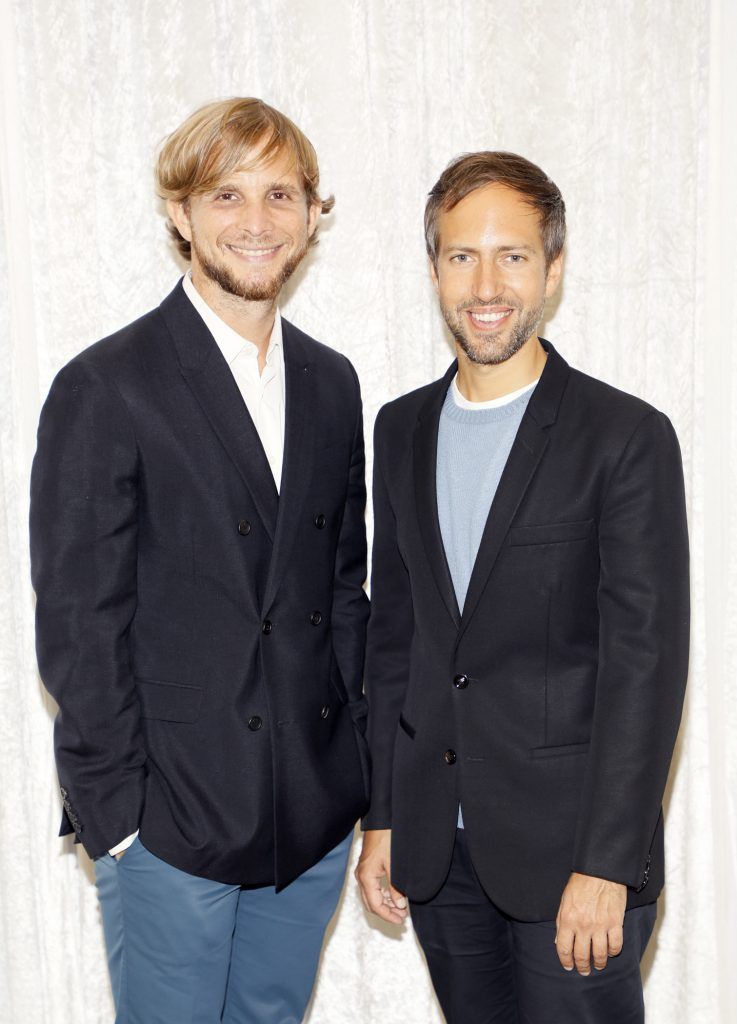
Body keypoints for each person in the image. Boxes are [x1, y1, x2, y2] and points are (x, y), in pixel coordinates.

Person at [30, 97, 370, 1024]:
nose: (256, 222)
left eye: (280, 194)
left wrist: (354, 773)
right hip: (170, 825)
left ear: (309, 215)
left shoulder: (333, 382)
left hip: (309, 817)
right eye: (226, 194)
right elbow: (76, 624)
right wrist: (123, 825)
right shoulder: (106, 385)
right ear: (180, 214)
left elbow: (343, 590)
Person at [356, 151, 689, 1023]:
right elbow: (397, 640)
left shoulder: (623, 437)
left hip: (573, 860)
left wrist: (606, 864)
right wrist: (382, 817)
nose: (486, 283)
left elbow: (644, 667)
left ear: (553, 268)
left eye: (512, 255)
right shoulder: (399, 430)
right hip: (438, 851)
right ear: (433, 269)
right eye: (462, 256)